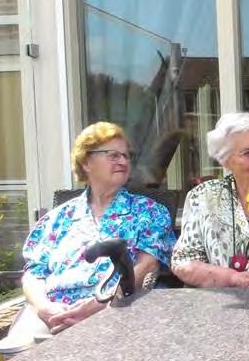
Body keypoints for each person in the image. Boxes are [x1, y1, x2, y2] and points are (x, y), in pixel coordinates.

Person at [16, 122, 176, 336]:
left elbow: (147, 266)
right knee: (13, 351)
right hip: (52, 311)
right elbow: (33, 274)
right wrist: (45, 308)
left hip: (114, 307)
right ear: (86, 162)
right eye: (113, 155)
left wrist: (98, 305)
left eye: (126, 155)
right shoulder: (57, 219)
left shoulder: (148, 212)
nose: (123, 161)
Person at [172, 112, 249, 288]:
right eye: (248, 153)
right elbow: (184, 260)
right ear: (225, 160)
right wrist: (231, 279)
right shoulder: (203, 196)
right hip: (221, 306)